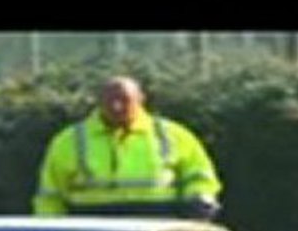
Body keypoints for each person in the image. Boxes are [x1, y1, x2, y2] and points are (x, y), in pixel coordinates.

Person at [33, 76, 220, 219]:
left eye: (125, 100)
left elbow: (199, 176)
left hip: (157, 230)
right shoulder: (68, 141)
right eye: (110, 101)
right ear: (99, 102)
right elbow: (50, 195)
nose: (116, 106)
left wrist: (199, 198)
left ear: (141, 99)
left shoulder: (174, 135)